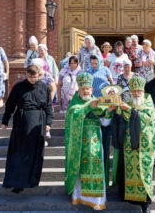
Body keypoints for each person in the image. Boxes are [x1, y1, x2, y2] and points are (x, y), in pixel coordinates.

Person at [1, 65, 53, 194]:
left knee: (35, 153)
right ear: (26, 74)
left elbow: (48, 106)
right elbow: (10, 104)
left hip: (38, 122)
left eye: (35, 77)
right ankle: (17, 183)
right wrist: (5, 120)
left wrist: (48, 123)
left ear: (39, 75)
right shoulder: (19, 87)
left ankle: (32, 180)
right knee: (19, 152)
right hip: (21, 122)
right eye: (30, 77)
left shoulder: (44, 87)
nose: (33, 80)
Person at [64, 72, 113, 210]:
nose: (85, 91)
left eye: (88, 88)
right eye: (82, 89)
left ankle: (97, 200)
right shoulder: (75, 104)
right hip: (80, 142)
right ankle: (79, 196)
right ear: (78, 90)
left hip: (96, 140)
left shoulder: (99, 102)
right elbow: (73, 117)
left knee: (97, 167)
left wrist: (109, 111)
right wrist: (88, 107)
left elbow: (105, 123)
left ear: (92, 90)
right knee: (80, 168)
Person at [111, 75, 155, 213]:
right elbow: (122, 121)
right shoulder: (128, 103)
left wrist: (130, 111)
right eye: (134, 91)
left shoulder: (148, 104)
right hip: (128, 146)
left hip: (143, 148)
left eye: (139, 91)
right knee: (127, 170)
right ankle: (129, 197)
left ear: (143, 91)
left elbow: (150, 122)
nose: (136, 94)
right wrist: (118, 111)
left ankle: (145, 203)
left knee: (143, 173)